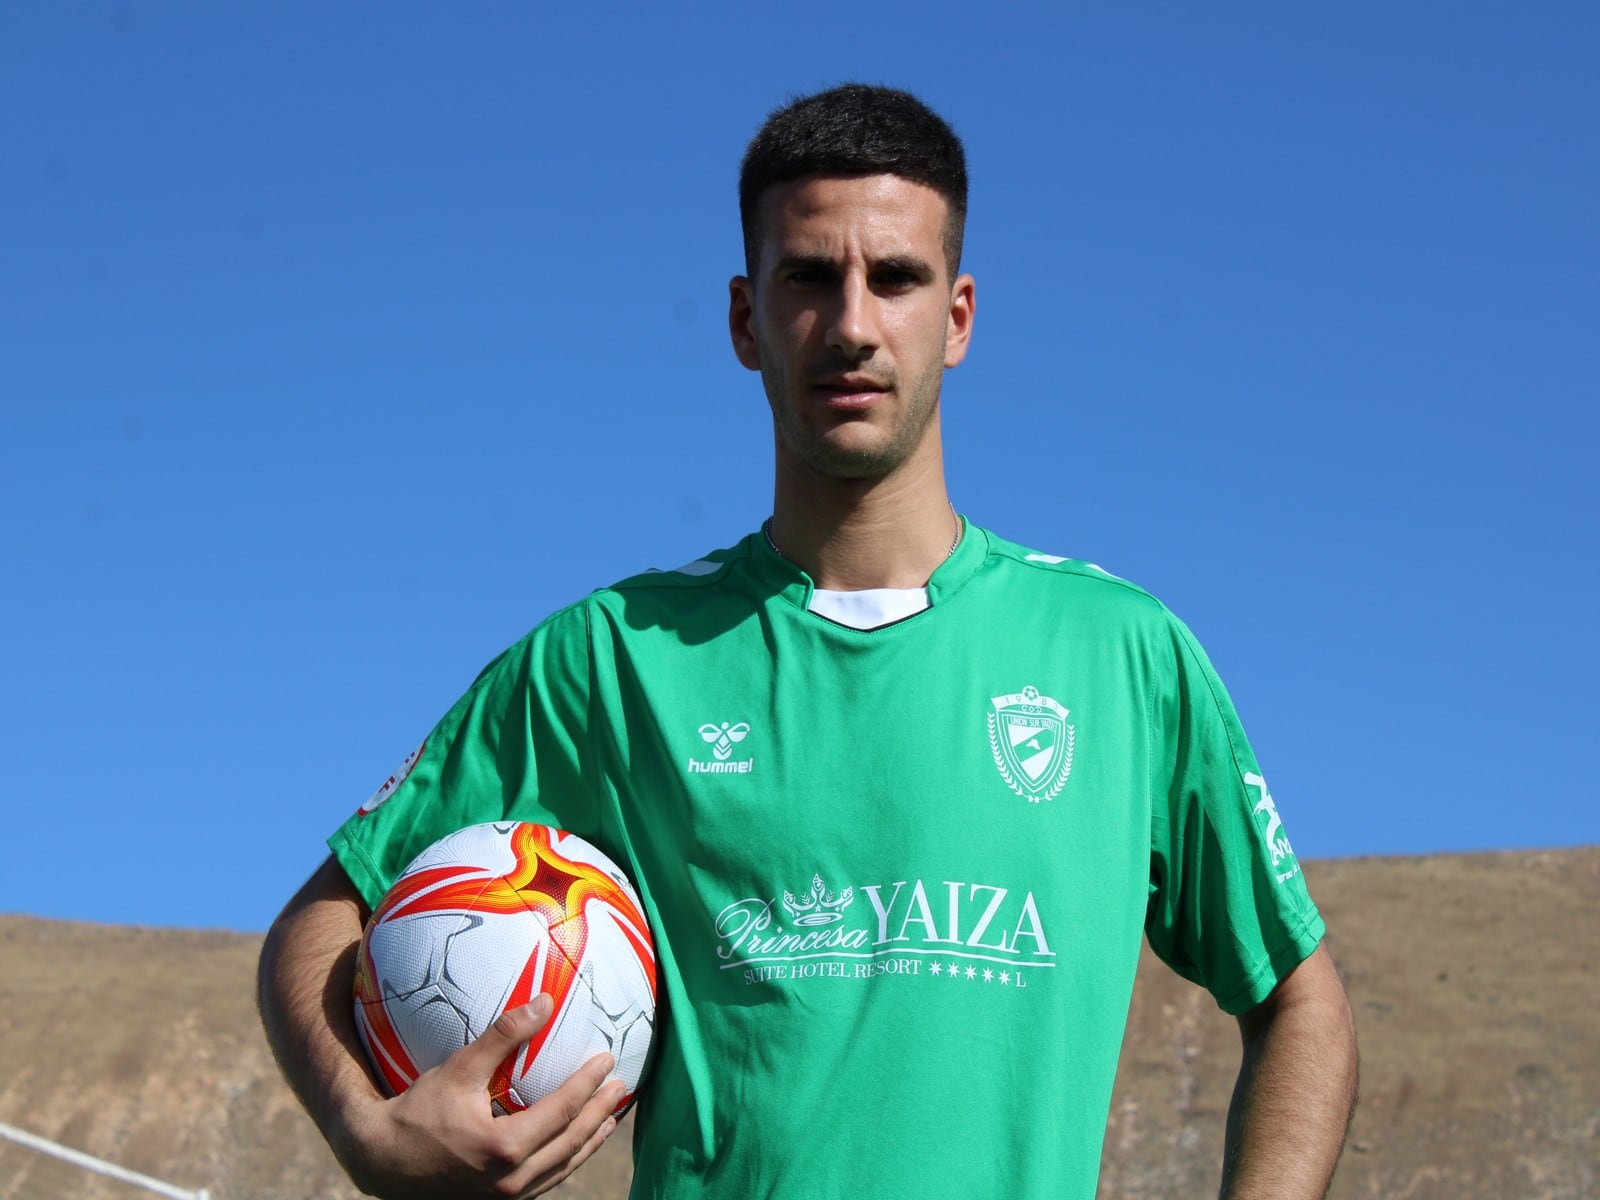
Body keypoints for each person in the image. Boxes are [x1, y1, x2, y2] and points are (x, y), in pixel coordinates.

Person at [258, 83, 1358, 1200]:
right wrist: (366, 1129)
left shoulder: (1123, 656)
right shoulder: (612, 658)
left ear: (959, 316)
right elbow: (322, 918)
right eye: (806, 278)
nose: (851, 325)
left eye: (895, 278)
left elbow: (1296, 997)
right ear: (745, 319)